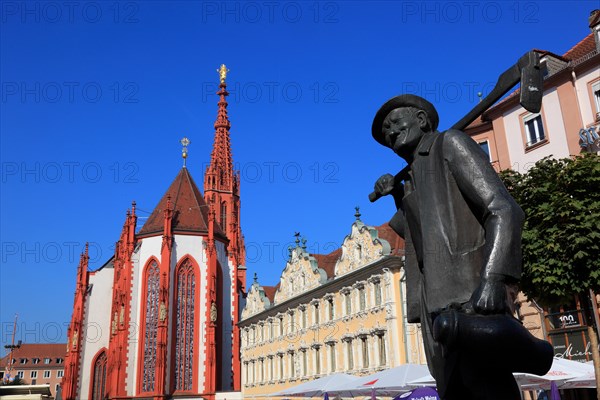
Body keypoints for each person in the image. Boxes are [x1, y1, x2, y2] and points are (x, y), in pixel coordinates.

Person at [371, 94, 551, 399]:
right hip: (436, 308)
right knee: (455, 390)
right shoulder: (416, 173)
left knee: (487, 388)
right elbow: (418, 236)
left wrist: (494, 278)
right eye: (385, 131)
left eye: (395, 122)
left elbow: (503, 209)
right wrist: (398, 195)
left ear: (422, 120)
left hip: (470, 300)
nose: (390, 132)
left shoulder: (450, 144)